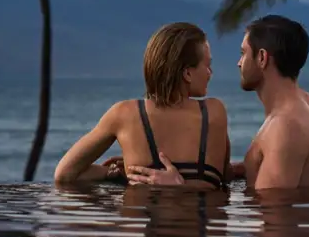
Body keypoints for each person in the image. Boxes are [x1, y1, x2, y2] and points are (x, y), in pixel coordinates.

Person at [126, 14, 309, 191]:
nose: (239, 63)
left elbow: (273, 213)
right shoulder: (306, 104)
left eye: (243, 53)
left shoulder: (286, 127)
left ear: (262, 58)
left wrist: (179, 187)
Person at [54, 22, 230, 190]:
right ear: (188, 73)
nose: (210, 73)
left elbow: (65, 174)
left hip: (144, 217)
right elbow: (224, 175)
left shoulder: (125, 114)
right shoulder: (215, 112)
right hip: (201, 217)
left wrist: (111, 173)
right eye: (208, 65)